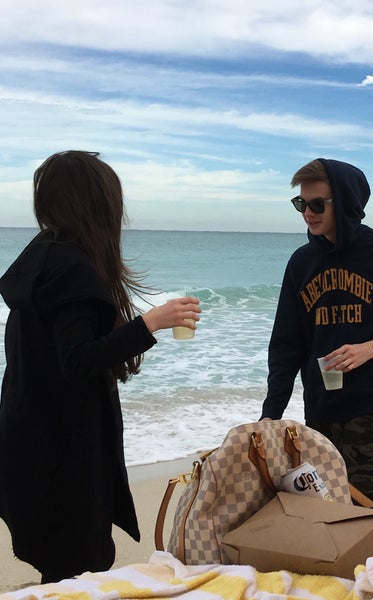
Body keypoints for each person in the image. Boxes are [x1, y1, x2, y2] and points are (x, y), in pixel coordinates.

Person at [0, 150, 201, 583]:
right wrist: (150, 323)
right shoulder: (72, 267)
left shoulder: (40, 257)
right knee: (81, 568)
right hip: (63, 453)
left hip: (29, 442)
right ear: (97, 202)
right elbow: (77, 360)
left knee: (60, 568)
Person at [260, 158, 373, 511]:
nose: (307, 213)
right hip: (320, 408)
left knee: (370, 507)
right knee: (327, 507)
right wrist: (271, 414)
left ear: (346, 201)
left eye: (317, 204)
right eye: (301, 204)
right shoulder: (300, 263)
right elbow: (286, 345)